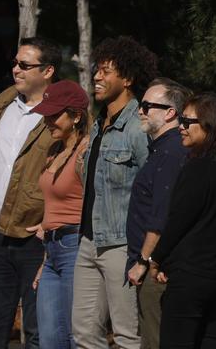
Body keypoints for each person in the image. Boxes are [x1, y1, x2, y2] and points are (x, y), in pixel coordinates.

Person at [0, 37, 60, 348]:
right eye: (15, 63)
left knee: (37, 332)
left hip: (36, 237)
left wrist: (51, 223)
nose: (15, 69)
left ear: (47, 72)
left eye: (24, 65)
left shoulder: (61, 115)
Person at [72, 36, 157, 349]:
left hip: (122, 244)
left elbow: (153, 188)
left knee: (127, 336)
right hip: (88, 240)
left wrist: (148, 252)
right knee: (83, 335)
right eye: (97, 69)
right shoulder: (99, 124)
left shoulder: (138, 126)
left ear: (127, 78)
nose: (97, 76)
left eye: (106, 71)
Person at [152, 93, 216, 349]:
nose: (181, 127)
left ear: (208, 126)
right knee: (209, 341)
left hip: (190, 275)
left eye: (188, 121)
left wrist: (156, 258)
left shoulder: (198, 168)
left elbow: (179, 219)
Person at [127, 78, 192, 349]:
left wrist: (144, 260)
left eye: (147, 106)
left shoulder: (171, 151)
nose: (140, 111)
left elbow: (161, 213)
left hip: (156, 268)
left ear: (170, 113)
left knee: (155, 341)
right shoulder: (161, 150)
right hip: (154, 264)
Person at [31, 79, 92, 349]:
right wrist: (46, 258)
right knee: (49, 339)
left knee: (75, 336)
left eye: (55, 115)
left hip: (76, 246)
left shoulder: (87, 150)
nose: (48, 121)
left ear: (76, 116)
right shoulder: (53, 151)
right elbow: (51, 211)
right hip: (52, 248)